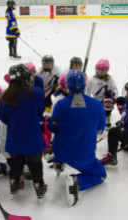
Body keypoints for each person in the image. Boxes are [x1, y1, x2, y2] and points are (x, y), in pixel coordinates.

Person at [47, 70, 106, 206]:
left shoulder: (61, 104)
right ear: (85, 85)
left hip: (60, 150)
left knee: (61, 136)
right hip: (82, 155)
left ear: (67, 85)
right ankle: (78, 182)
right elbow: (100, 129)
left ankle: (59, 161)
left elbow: (53, 126)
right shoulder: (97, 105)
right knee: (100, 175)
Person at [0, 64, 47, 202]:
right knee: (35, 164)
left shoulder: (5, 96)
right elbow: (39, 112)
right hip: (33, 137)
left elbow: (3, 118)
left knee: (15, 163)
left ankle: (14, 184)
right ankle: (39, 186)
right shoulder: (37, 92)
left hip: (15, 138)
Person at [86, 59, 118, 128]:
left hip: (107, 101)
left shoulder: (110, 79)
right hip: (96, 100)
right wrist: (87, 100)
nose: (101, 72)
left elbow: (115, 89)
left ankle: (107, 117)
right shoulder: (92, 79)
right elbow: (87, 90)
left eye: (103, 70)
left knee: (108, 99)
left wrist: (113, 96)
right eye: (99, 69)